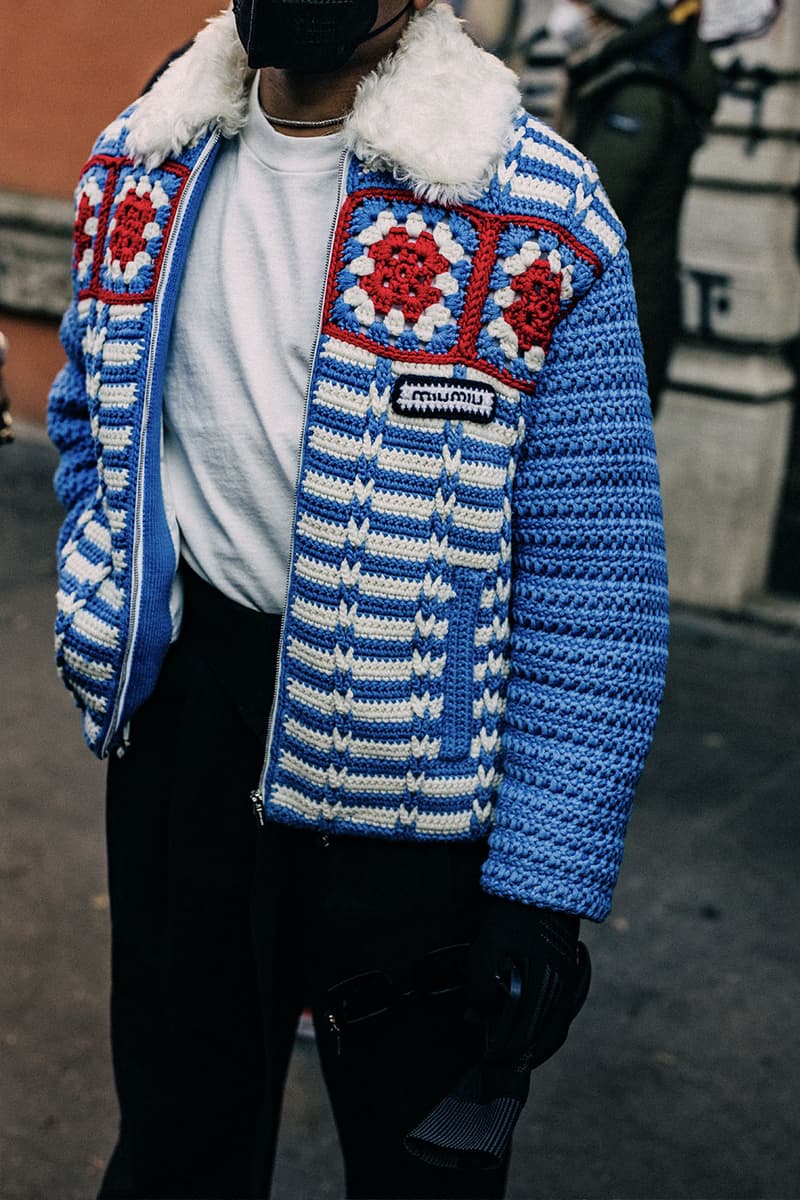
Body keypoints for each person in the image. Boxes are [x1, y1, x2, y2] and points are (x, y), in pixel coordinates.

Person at [47, 2, 669, 1197]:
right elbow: (87, 407)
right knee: (174, 1152)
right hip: (185, 744)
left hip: (419, 797)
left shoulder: (536, 207)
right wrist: (104, 590)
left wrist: (543, 888)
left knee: (420, 1176)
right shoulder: (141, 159)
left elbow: (592, 583)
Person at [551, 0, 720, 412]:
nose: (567, 11)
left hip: (610, 336)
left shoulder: (638, 97)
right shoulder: (624, 78)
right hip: (616, 323)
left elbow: (586, 219)